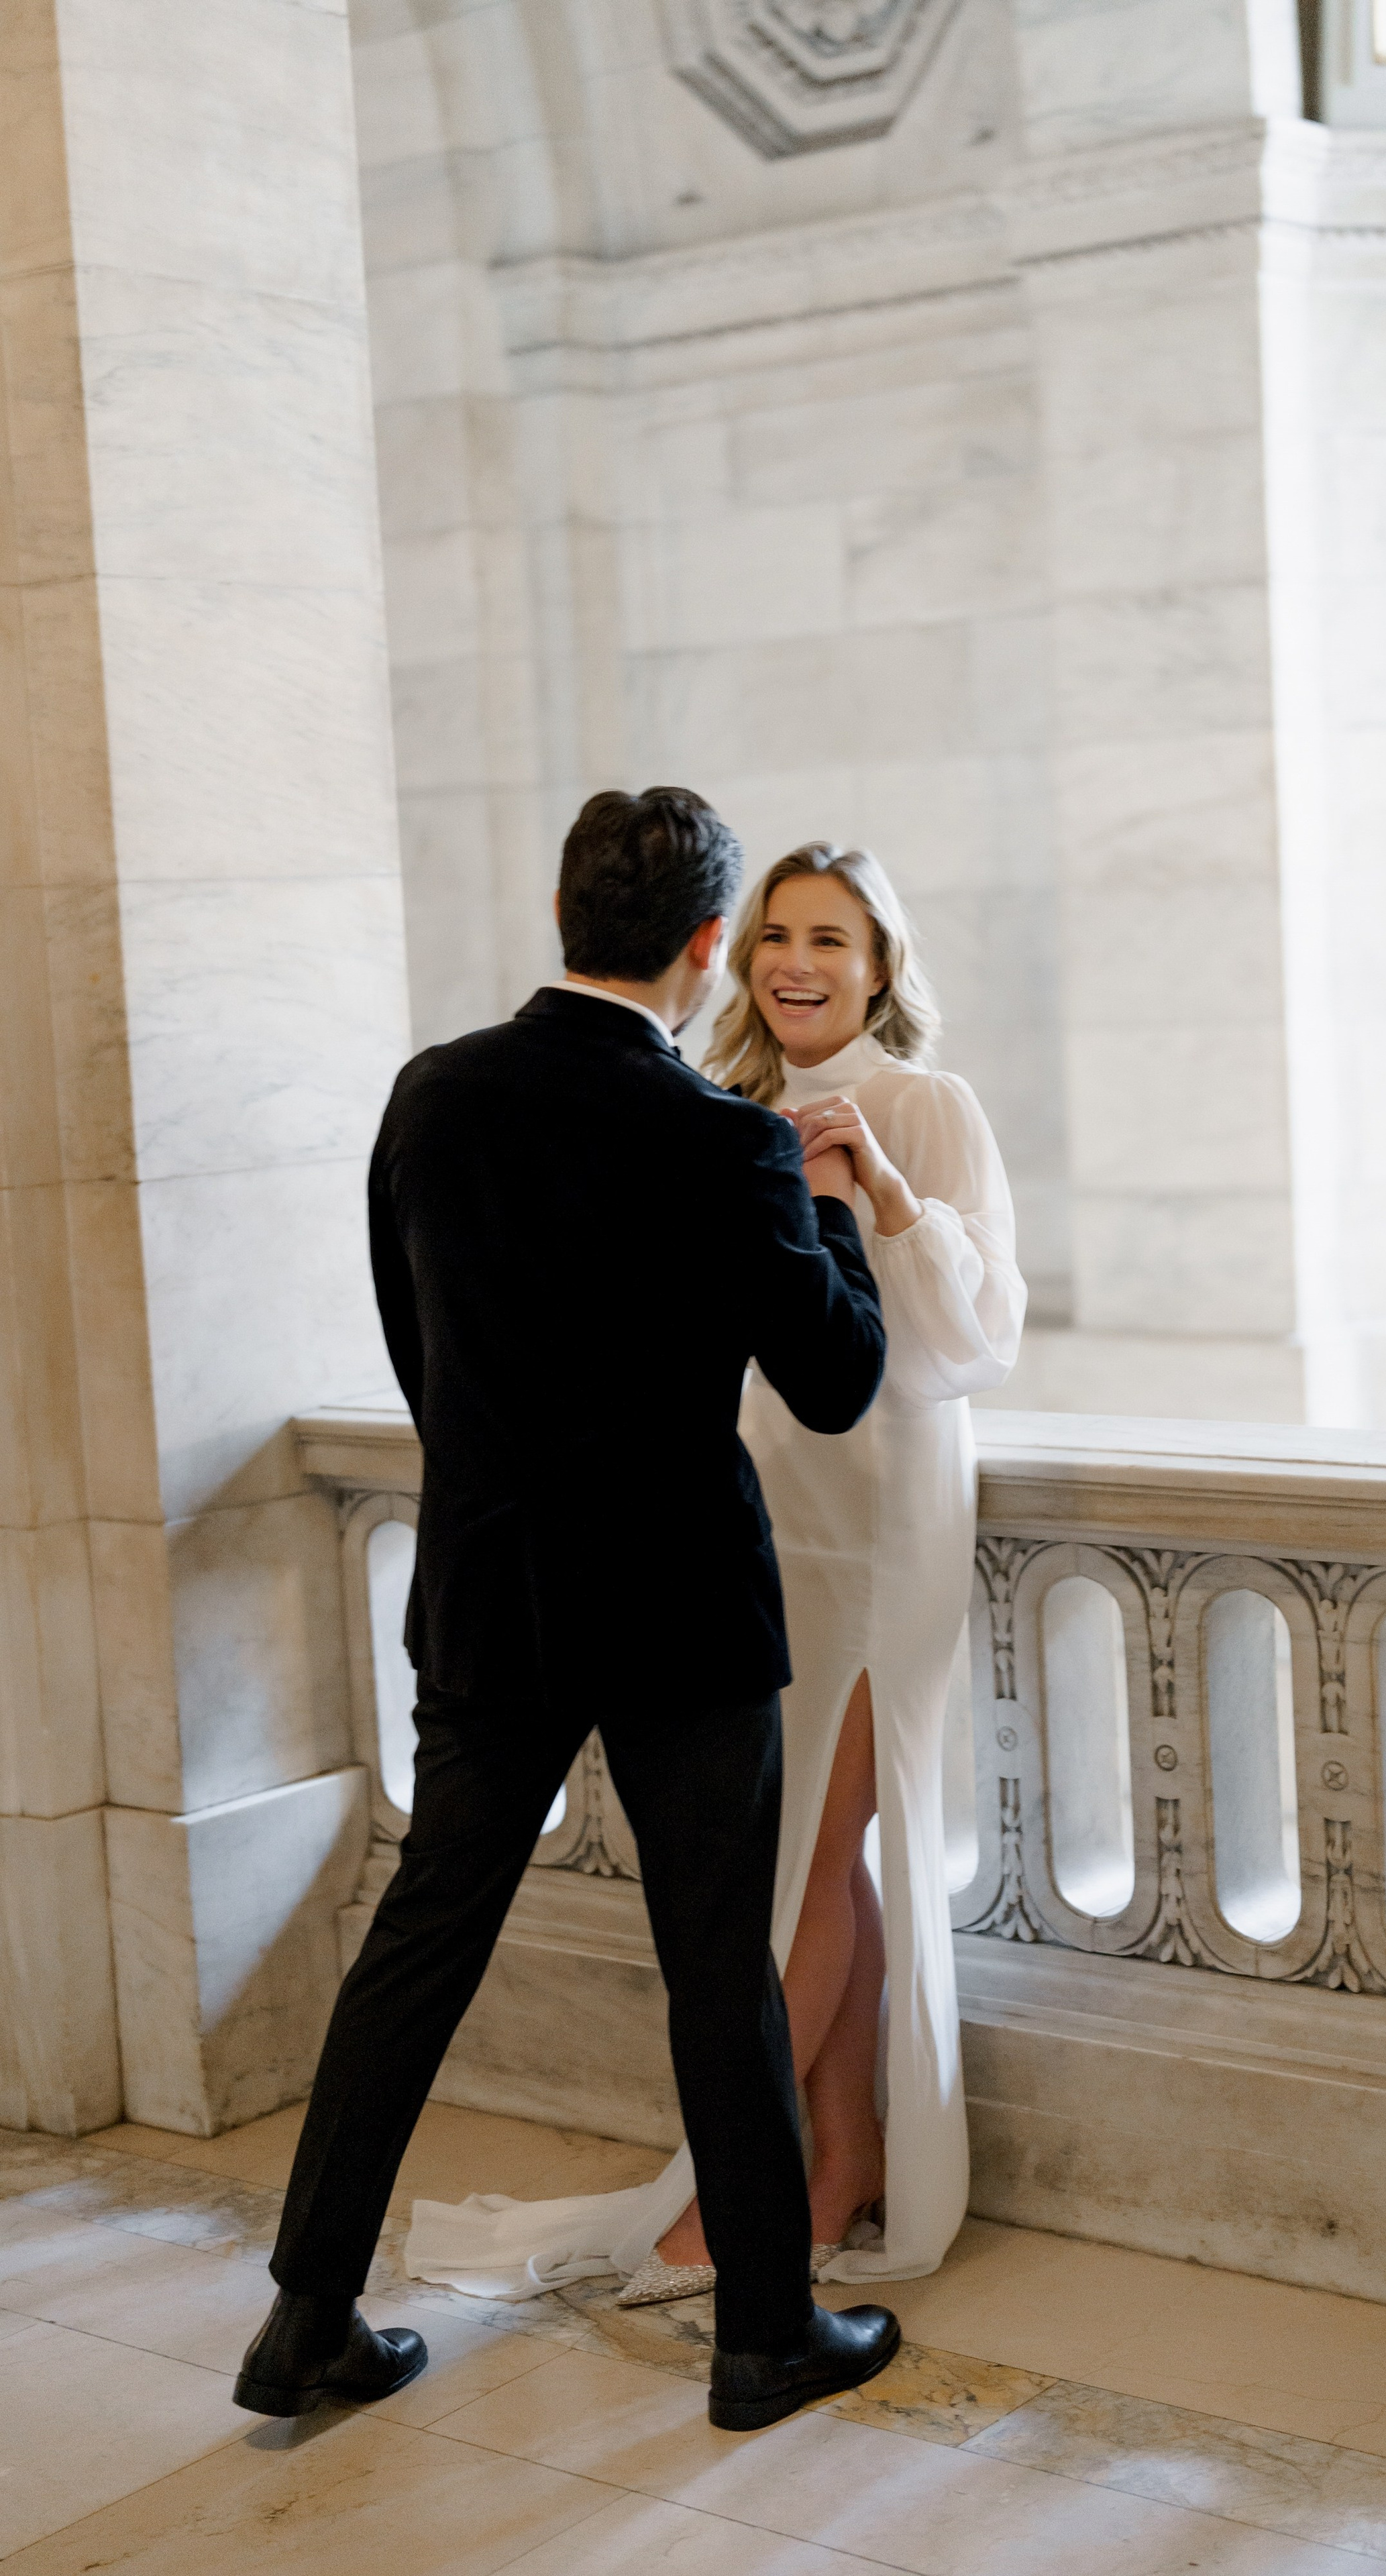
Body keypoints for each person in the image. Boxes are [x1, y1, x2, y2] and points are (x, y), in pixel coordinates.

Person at [233, 789, 901, 2434]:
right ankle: (763, 2336)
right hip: (680, 1611)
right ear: (702, 947)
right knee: (713, 1972)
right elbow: (833, 1381)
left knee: (418, 1947)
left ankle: (306, 2317)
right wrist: (823, 1212)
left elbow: (418, 1344)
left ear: (558, 909)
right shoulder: (728, 1139)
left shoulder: (433, 1096)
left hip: (490, 1589)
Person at [405, 840, 1025, 2308]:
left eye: (830, 938)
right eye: (772, 938)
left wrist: (877, 1186)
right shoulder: (715, 1107)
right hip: (756, 1517)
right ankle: (832, 2164)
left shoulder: (923, 1104)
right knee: (817, 1854)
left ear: (879, 965)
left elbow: (975, 1337)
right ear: (726, 956)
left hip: (882, 1516)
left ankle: (721, 2212)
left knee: (810, 1860)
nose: (795, 963)